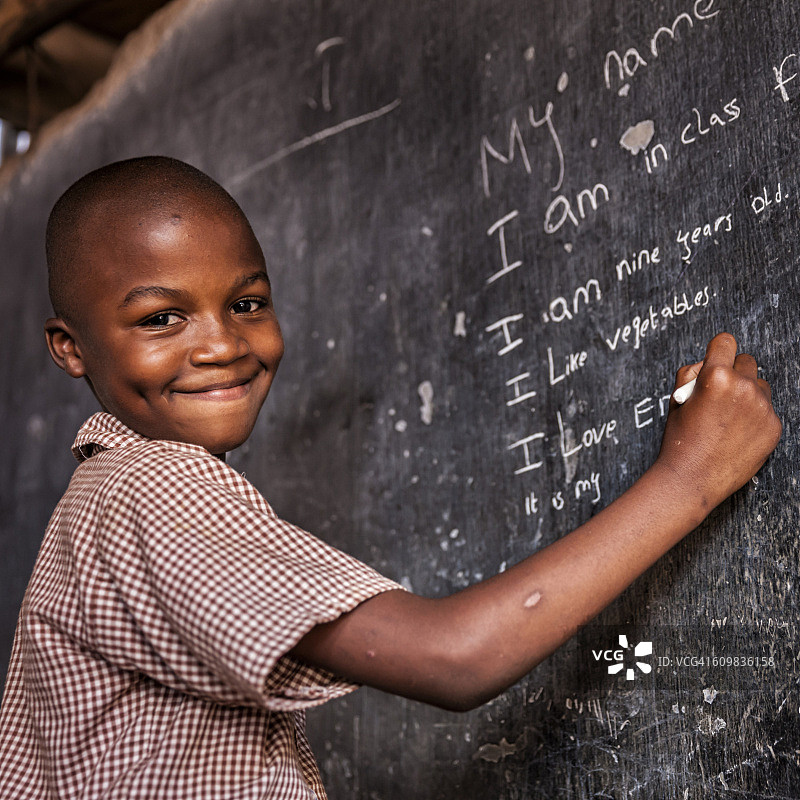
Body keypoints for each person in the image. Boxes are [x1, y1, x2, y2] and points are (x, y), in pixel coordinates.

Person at [0, 156, 781, 800]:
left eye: (246, 302)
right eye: (160, 318)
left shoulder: (99, 508)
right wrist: (689, 480)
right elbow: (456, 658)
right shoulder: (153, 487)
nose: (222, 346)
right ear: (70, 347)